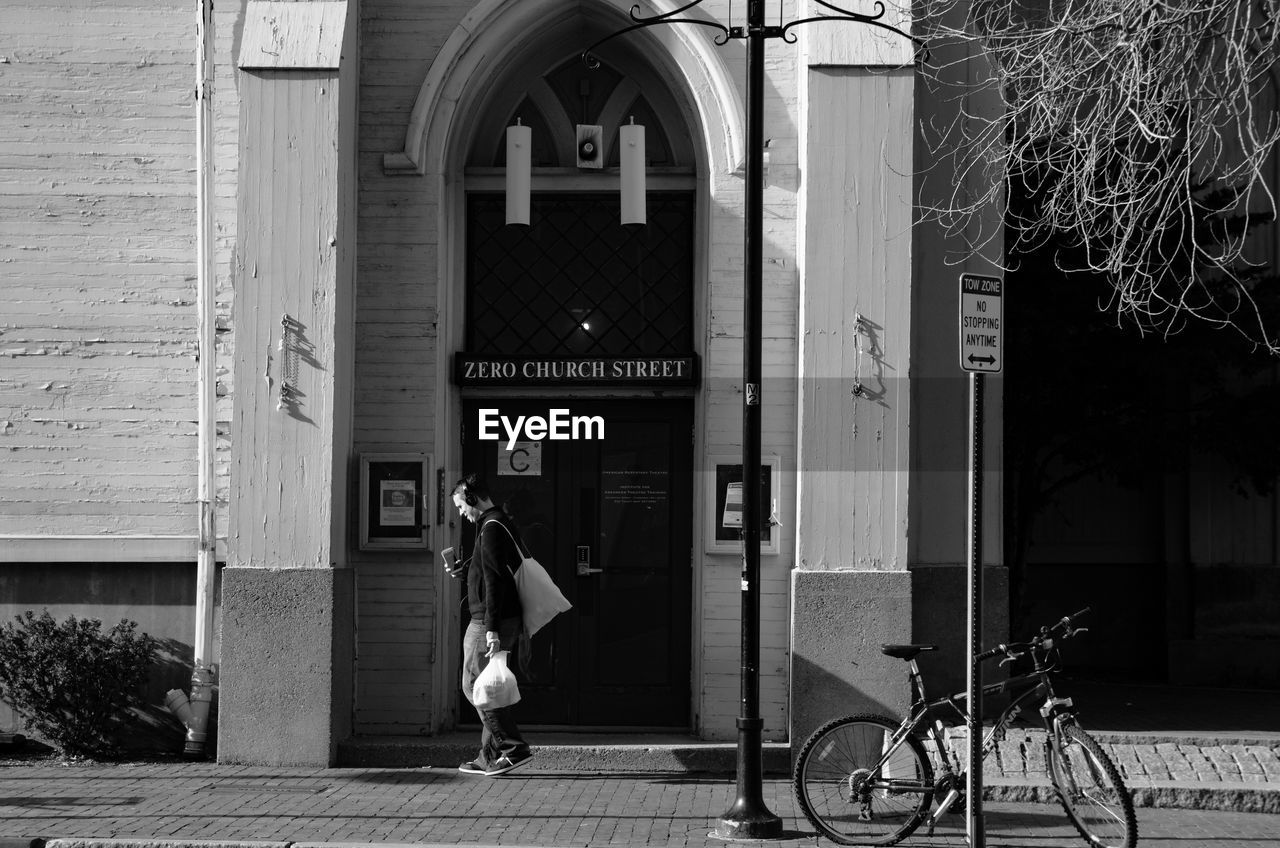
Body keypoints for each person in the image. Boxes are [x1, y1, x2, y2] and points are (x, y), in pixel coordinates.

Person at [447, 473, 533, 777]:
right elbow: (490, 568)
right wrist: (466, 570)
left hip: (489, 621)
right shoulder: (494, 523)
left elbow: (496, 580)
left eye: (461, 506)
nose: (461, 514)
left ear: (473, 498)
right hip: (490, 618)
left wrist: (493, 629)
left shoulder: (492, 526)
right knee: (486, 688)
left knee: (474, 686)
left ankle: (512, 746)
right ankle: (490, 756)